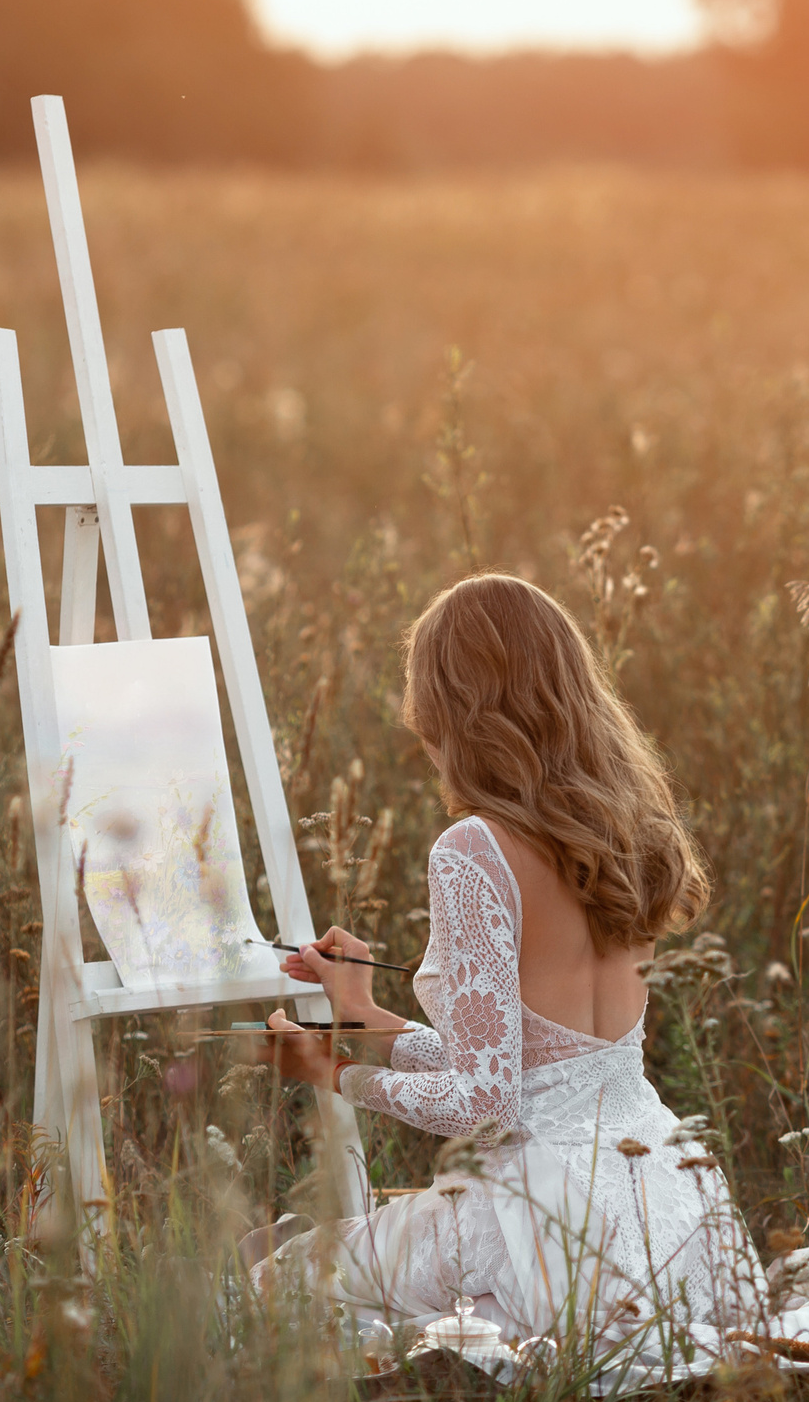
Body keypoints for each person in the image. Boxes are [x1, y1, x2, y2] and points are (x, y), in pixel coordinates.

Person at [251, 573, 762, 1357]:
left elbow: (487, 1107)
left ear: (453, 712)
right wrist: (363, 1014)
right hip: (667, 1203)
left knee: (274, 1285)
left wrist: (333, 1072)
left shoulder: (473, 851)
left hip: (542, 1224)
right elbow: (535, 1070)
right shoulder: (630, 836)